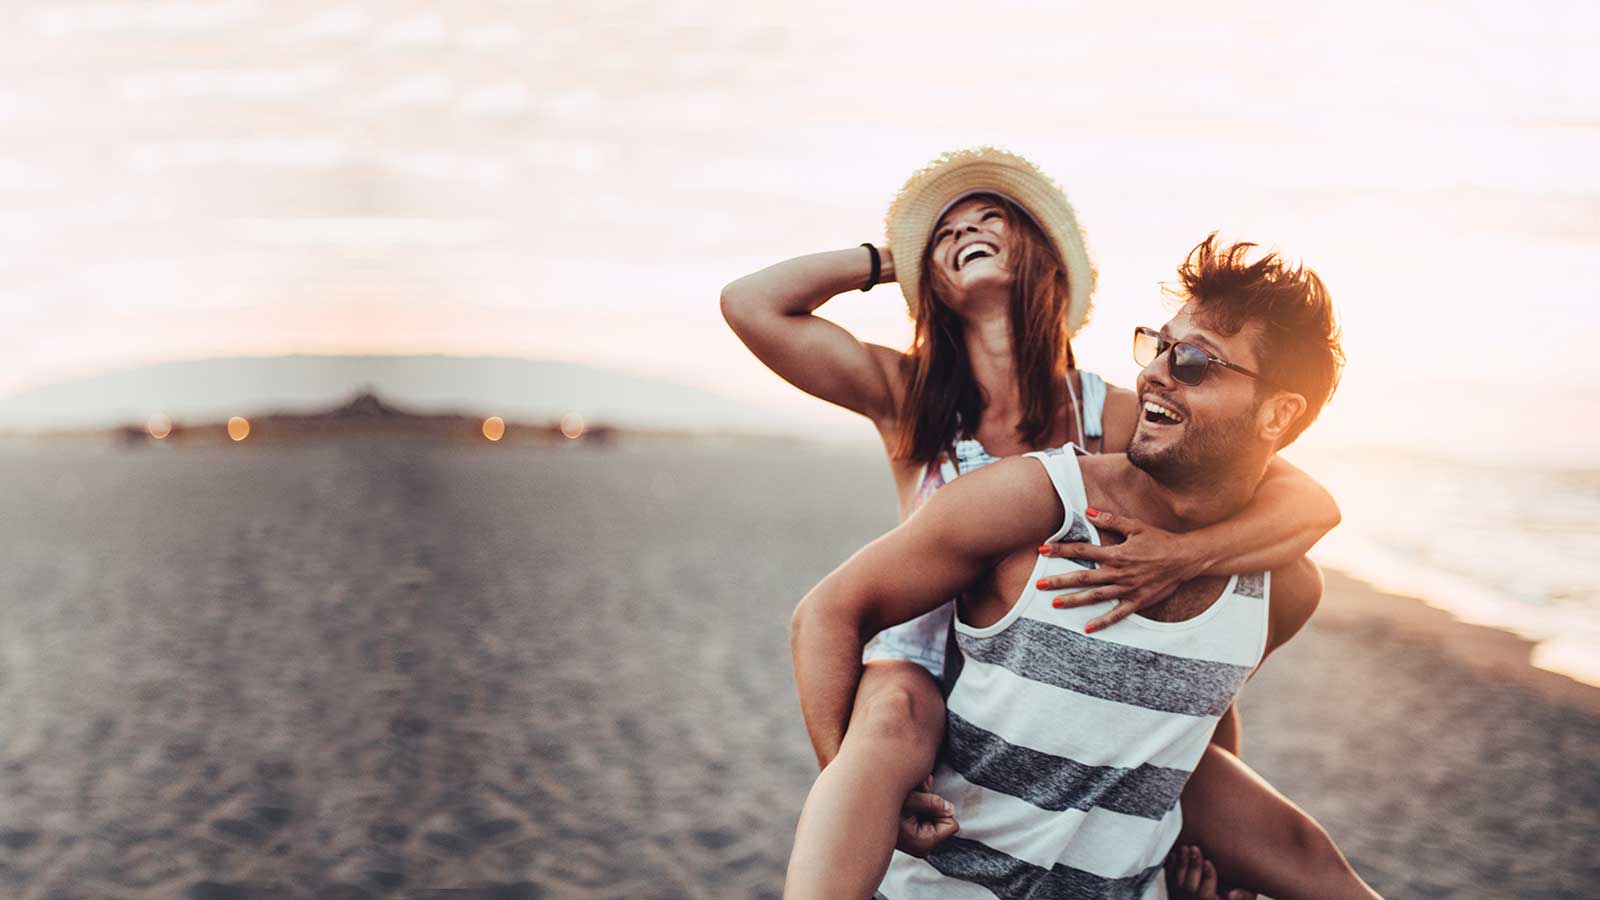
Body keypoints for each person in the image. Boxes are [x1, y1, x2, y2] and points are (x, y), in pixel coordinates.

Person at [721, 149, 1339, 899]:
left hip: (1058, 646)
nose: (966, 230)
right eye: (946, 232)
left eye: (991, 221)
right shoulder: (910, 394)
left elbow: (1307, 502)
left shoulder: (1109, 408)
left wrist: (1183, 555)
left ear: (1047, 263)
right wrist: (895, 260)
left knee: (1195, 739)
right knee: (887, 723)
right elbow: (751, 304)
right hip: (925, 635)